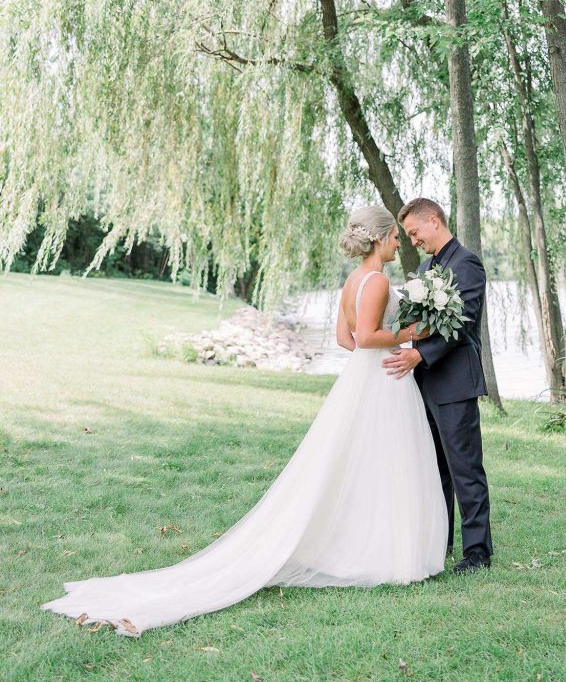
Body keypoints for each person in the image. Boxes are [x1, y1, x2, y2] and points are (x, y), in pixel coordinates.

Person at [41, 205, 448, 637]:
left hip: (362, 378)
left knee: (361, 464)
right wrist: (411, 335)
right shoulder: (378, 280)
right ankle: (381, 551)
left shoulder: (352, 280)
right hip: (384, 379)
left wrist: (380, 349)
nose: (399, 243)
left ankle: (363, 546)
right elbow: (365, 337)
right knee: (384, 464)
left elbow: (343, 339)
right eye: (395, 237)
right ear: (380, 238)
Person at [383, 198, 493, 574]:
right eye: (408, 236)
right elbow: (419, 321)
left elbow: (463, 321)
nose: (413, 241)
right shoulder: (426, 268)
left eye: (415, 232)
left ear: (434, 220)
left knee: (465, 469)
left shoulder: (467, 263)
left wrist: (421, 354)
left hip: (455, 382)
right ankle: (439, 542)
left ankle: (477, 552)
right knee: (435, 470)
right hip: (425, 383)